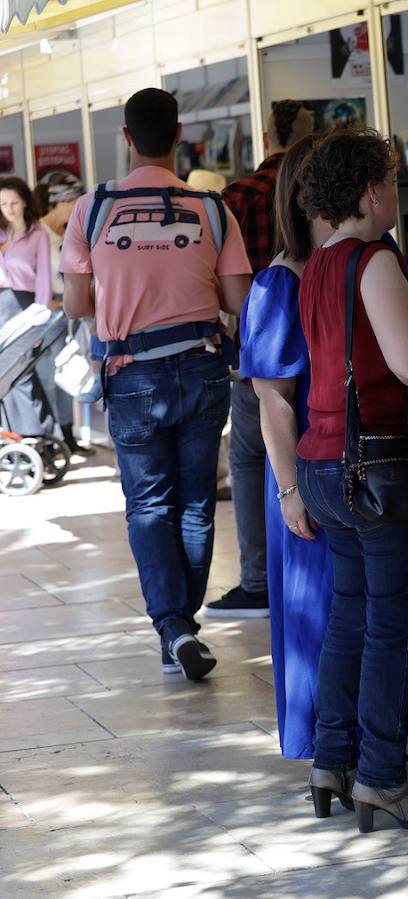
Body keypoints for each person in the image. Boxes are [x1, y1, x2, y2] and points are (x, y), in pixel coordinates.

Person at [242, 131, 408, 786]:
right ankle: (371, 764)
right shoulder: (295, 278)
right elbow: (275, 400)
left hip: (370, 463)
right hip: (343, 471)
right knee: (366, 621)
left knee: (388, 612)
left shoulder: (346, 262)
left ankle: (385, 748)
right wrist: (289, 489)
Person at [295, 127, 408, 832]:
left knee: (350, 616)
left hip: (323, 460)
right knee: (389, 629)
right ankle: (383, 778)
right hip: (380, 464)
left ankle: (331, 759)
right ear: (370, 191)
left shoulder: (314, 266)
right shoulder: (374, 262)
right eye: (391, 182)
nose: (397, 193)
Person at [61, 88, 254, 681]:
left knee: (149, 506)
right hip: (201, 366)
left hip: (130, 372)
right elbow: (238, 301)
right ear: (178, 137)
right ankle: (182, 627)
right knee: (196, 505)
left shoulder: (91, 210)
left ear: (125, 139)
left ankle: (174, 628)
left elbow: (74, 302)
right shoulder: (212, 208)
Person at [208, 98, 317, 620]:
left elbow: (218, 275)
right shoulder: (314, 192)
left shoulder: (236, 196)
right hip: (307, 343)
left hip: (253, 341)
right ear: (294, 135)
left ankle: (257, 577)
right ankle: (280, 570)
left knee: (254, 460)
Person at [0, 177, 56, 440]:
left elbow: (44, 279)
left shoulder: (38, 235)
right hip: (1, 306)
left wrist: (41, 320)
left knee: (21, 373)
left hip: (25, 308)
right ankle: (13, 441)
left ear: (24, 202)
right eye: (2, 203)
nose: (8, 208)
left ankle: (37, 436)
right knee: (5, 376)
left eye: (13, 202)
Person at [35, 173, 88, 453]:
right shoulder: (39, 233)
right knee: (47, 376)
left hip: (69, 310)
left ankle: (68, 433)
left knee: (70, 370)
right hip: (47, 312)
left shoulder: (69, 232)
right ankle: (52, 436)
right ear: (65, 201)